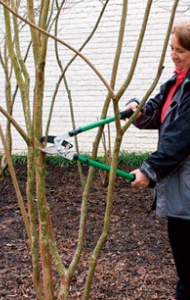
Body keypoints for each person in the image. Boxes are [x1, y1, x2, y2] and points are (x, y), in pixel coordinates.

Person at [125, 23, 190, 300]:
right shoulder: (175, 83)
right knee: (184, 263)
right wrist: (137, 110)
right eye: (172, 49)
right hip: (180, 188)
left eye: (181, 50)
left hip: (188, 188)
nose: (174, 55)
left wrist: (149, 170)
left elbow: (179, 138)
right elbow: (155, 112)